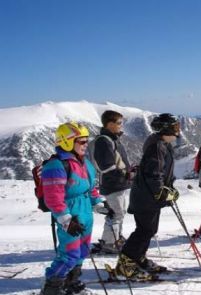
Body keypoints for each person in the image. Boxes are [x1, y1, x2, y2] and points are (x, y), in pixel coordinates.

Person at [40, 122, 113, 295]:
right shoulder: (56, 166)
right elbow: (53, 198)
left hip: (86, 212)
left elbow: (90, 188)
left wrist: (100, 204)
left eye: (87, 141)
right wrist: (66, 220)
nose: (85, 145)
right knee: (69, 255)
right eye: (81, 141)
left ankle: (71, 282)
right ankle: (52, 287)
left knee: (81, 252)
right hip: (71, 215)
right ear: (67, 142)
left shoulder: (84, 163)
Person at [114, 113, 181, 279]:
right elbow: (154, 172)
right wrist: (161, 191)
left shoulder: (161, 144)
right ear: (166, 128)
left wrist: (168, 189)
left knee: (149, 229)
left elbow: (162, 172)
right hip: (146, 197)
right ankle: (126, 263)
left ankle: (137, 257)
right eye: (175, 127)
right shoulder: (157, 146)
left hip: (149, 196)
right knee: (144, 230)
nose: (178, 131)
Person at [92, 110, 132, 254]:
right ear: (110, 124)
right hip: (112, 184)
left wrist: (128, 172)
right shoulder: (104, 141)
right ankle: (110, 243)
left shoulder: (113, 139)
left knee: (119, 213)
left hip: (118, 183)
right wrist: (126, 174)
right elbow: (107, 166)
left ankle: (116, 238)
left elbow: (118, 161)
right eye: (119, 123)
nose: (121, 126)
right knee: (116, 214)